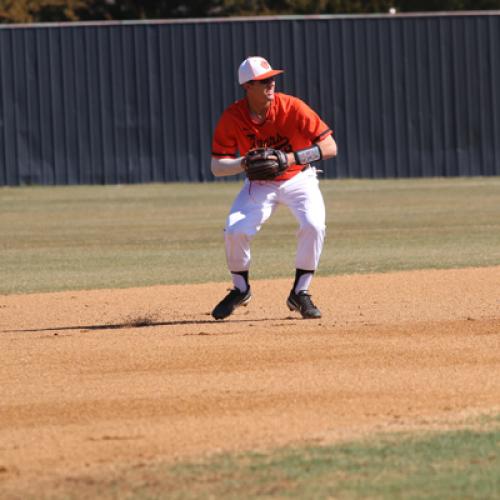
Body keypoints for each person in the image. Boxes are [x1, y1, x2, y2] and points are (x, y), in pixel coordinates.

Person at [210, 56, 337, 320]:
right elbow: (217, 166)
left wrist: (290, 158)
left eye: (272, 78)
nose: (271, 83)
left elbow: (330, 148)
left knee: (314, 225)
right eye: (263, 80)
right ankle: (240, 289)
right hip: (260, 183)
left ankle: (300, 293)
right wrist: (243, 162)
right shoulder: (233, 116)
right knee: (235, 230)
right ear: (247, 86)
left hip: (298, 178)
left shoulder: (292, 107)